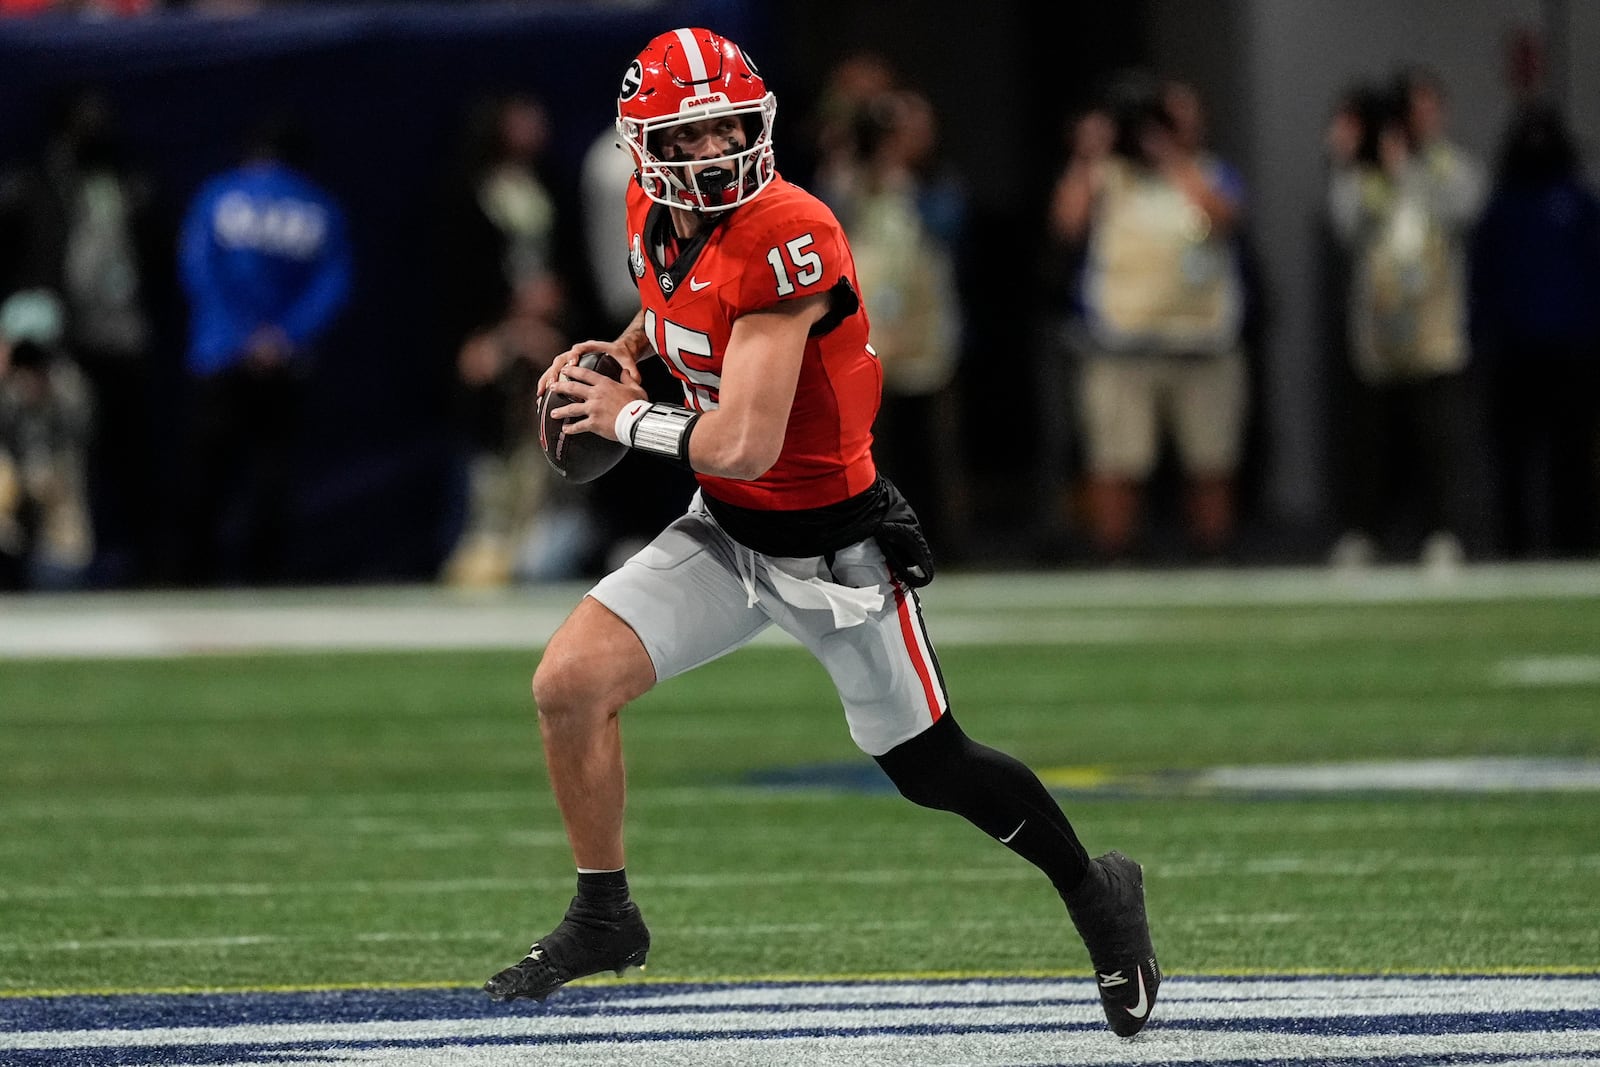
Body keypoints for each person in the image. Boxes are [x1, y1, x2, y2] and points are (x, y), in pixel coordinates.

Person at [481, 28, 1160, 1040]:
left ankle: (1093, 887)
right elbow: (672, 306)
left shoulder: (787, 231)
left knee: (934, 765)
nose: (712, 153)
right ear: (642, 150)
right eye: (688, 135)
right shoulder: (646, 209)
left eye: (725, 129)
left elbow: (746, 441)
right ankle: (604, 910)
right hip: (727, 531)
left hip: (831, 541)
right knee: (568, 683)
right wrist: (618, 349)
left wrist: (621, 416)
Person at [1050, 74, 1249, 562]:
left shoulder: (1208, 171)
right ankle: (1116, 556)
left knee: (1211, 460)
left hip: (1203, 343)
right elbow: (1067, 225)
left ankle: (1213, 554)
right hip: (1122, 345)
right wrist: (1090, 153)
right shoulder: (1107, 175)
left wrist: (1173, 157)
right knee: (1117, 462)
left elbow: (1226, 218)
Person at [172, 118, 352, 585]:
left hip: (220, 353)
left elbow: (198, 267)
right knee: (271, 473)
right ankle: (264, 577)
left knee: (210, 470)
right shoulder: (317, 206)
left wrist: (238, 334)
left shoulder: (221, 195)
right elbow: (332, 285)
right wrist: (284, 336)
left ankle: (193, 573)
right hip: (284, 361)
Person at [1325, 69, 1485, 573]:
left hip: (1435, 330)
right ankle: (1365, 532)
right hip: (1376, 333)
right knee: (1372, 442)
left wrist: (1413, 167)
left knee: (1437, 441)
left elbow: (1465, 206)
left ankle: (1442, 533)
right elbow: (1347, 225)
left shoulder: (1447, 165)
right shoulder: (1364, 173)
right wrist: (1379, 165)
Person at [1471, 102, 1600, 557]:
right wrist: (1480, 338)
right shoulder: (1502, 208)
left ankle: (1576, 544)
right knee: (1513, 458)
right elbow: (1483, 278)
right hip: (1514, 352)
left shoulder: (1578, 204)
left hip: (1571, 351)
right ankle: (1514, 546)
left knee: (1572, 457)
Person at [0, 289, 94, 589]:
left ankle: (57, 579)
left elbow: (78, 434)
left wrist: (43, 395)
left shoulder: (68, 385)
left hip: (53, 474)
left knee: (65, 506)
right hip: (9, 468)